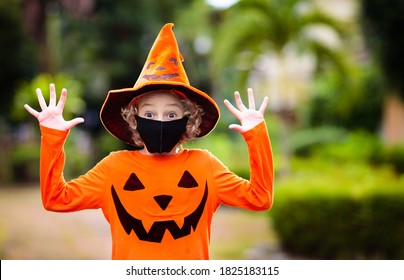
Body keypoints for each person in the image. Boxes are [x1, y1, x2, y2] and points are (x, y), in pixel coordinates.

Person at [24, 23, 274, 260]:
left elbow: (260, 198)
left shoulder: (205, 166)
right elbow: (56, 198)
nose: (161, 121)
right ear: (134, 120)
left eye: (172, 114)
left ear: (189, 119)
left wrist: (256, 135)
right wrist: (53, 136)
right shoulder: (114, 168)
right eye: (150, 114)